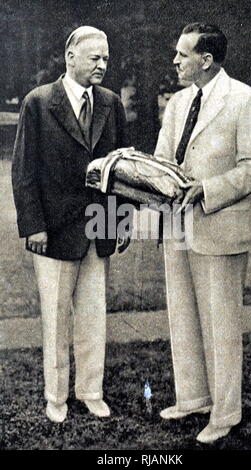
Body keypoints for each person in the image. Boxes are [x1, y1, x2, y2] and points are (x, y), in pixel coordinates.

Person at [154, 23, 251, 443]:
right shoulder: (178, 102)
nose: (176, 61)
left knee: (221, 325)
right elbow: (163, 157)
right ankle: (193, 398)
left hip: (220, 226)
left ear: (206, 60)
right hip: (177, 225)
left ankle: (225, 414)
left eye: (182, 55)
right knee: (182, 315)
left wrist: (208, 190)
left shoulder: (244, 99)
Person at [12, 26, 129, 423]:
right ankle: (56, 397)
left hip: (99, 228)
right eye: (95, 57)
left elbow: (122, 172)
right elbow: (24, 171)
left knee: (94, 317)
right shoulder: (38, 102)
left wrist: (120, 222)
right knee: (56, 319)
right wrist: (33, 226)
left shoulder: (112, 103)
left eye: (106, 58)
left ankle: (91, 393)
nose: (102, 65)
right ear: (70, 57)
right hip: (54, 230)